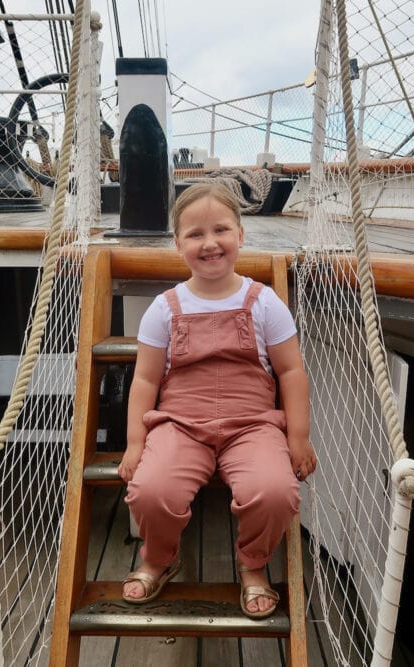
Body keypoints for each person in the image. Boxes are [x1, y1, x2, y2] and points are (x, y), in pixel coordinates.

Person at [118, 181, 318, 619]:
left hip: (252, 426)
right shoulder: (165, 308)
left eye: (221, 230)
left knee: (275, 491)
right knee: (151, 490)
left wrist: (298, 437)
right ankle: (160, 557)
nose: (210, 243)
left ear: (241, 235)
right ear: (177, 244)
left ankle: (253, 565)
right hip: (180, 425)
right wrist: (136, 443)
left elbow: (290, 371)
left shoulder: (264, 302)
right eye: (194, 234)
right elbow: (145, 381)